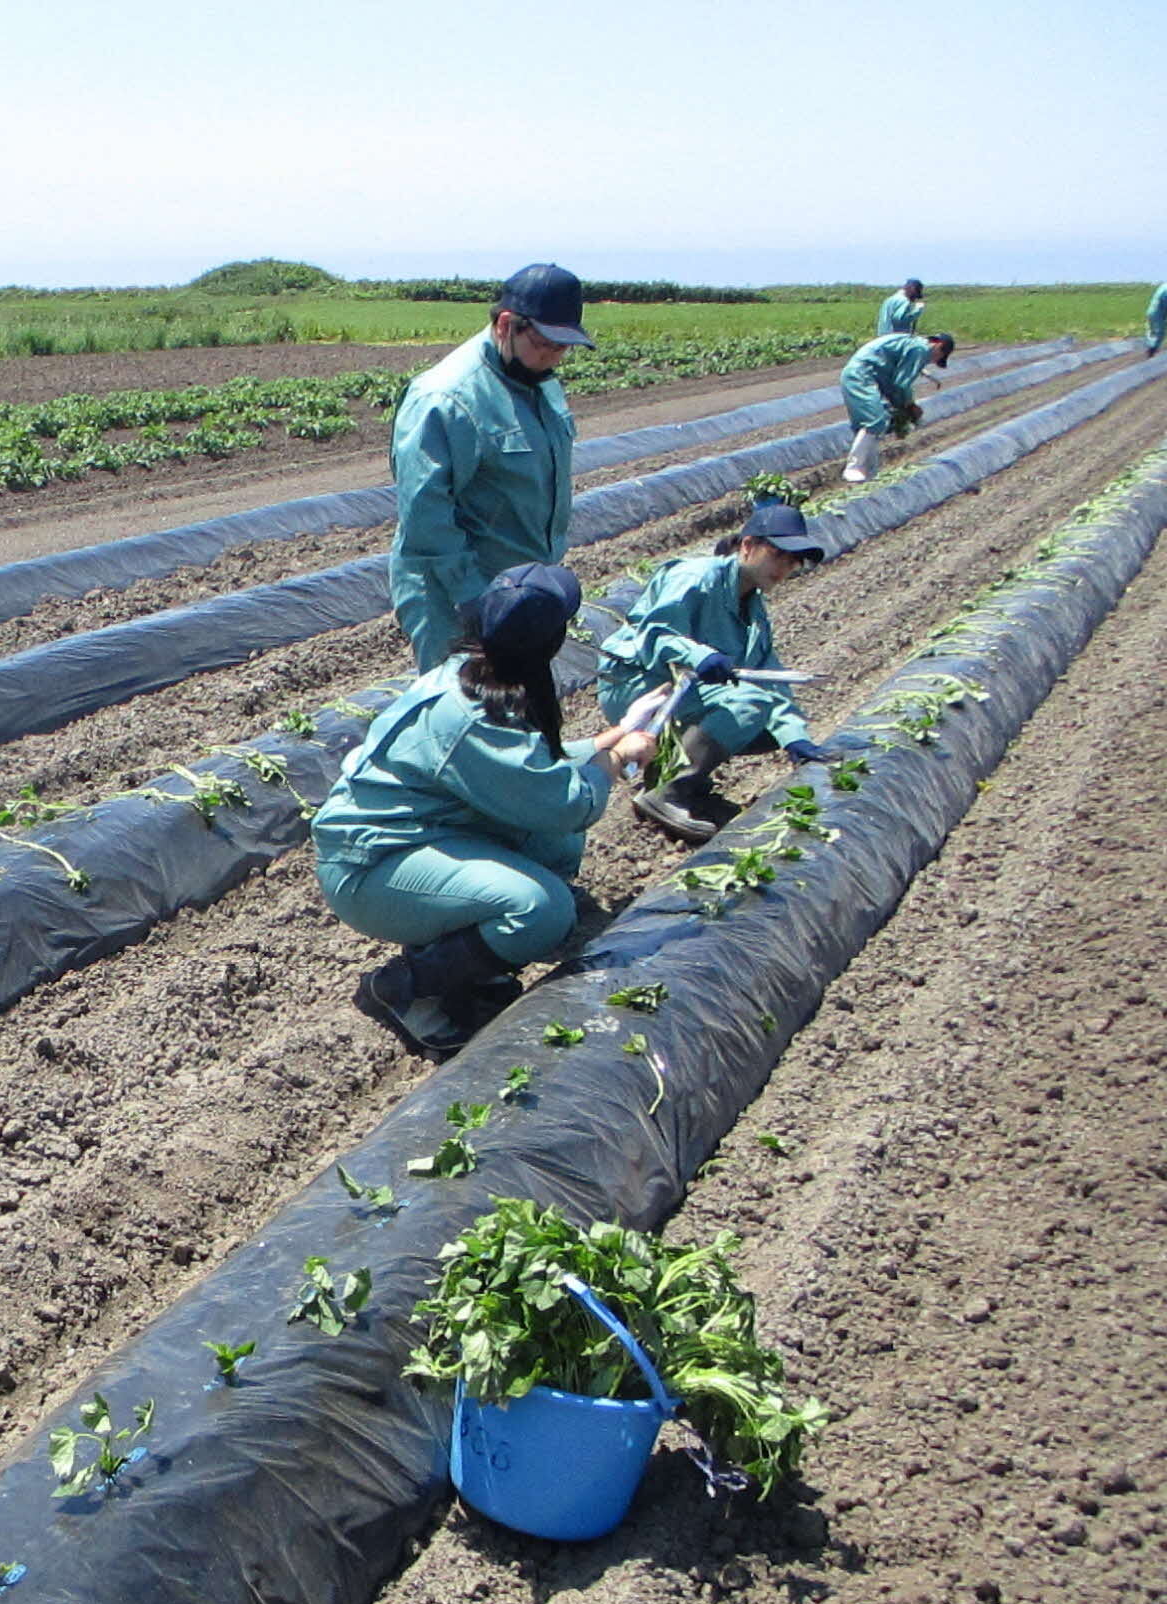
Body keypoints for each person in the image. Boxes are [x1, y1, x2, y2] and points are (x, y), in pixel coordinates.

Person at [313, 564, 657, 1061]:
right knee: (541, 908)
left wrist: (617, 732)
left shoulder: (474, 674)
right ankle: (406, 989)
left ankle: (472, 966)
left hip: (417, 841)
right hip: (370, 869)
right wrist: (620, 758)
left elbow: (530, 773)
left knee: (552, 846)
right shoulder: (468, 712)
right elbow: (566, 802)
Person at [388, 263, 594, 672]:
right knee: (472, 715)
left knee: (523, 714)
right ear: (506, 325)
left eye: (563, 347)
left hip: (522, 588)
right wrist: (477, 601)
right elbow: (425, 516)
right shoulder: (445, 398)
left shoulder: (540, 381)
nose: (554, 357)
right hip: (458, 594)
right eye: (545, 344)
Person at [601, 504, 839, 844]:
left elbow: (769, 675)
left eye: (793, 562)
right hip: (637, 683)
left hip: (680, 689)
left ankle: (678, 777)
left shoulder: (753, 610)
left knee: (770, 724)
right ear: (747, 546)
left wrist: (795, 737)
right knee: (748, 703)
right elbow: (656, 635)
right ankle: (669, 792)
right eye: (777, 555)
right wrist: (700, 655)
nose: (784, 568)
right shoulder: (695, 577)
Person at [840, 329, 954, 482]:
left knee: (876, 424)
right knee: (875, 421)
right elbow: (901, 384)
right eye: (937, 357)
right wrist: (909, 406)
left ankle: (869, 470)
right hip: (861, 375)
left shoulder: (913, 344)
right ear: (938, 345)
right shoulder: (920, 349)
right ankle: (853, 467)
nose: (932, 361)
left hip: (867, 375)